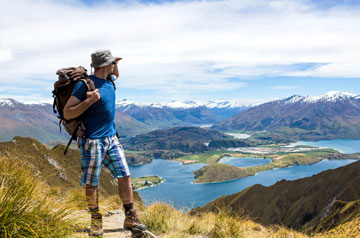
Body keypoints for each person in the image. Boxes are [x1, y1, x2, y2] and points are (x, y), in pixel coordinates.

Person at [63, 49, 146, 236]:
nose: (114, 67)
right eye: (112, 63)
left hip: (111, 138)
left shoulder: (109, 80)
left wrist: (116, 63)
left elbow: (116, 73)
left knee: (124, 174)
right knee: (92, 182)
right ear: (105, 65)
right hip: (91, 140)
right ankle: (95, 220)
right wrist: (88, 102)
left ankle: (130, 216)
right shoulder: (85, 85)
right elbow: (68, 112)